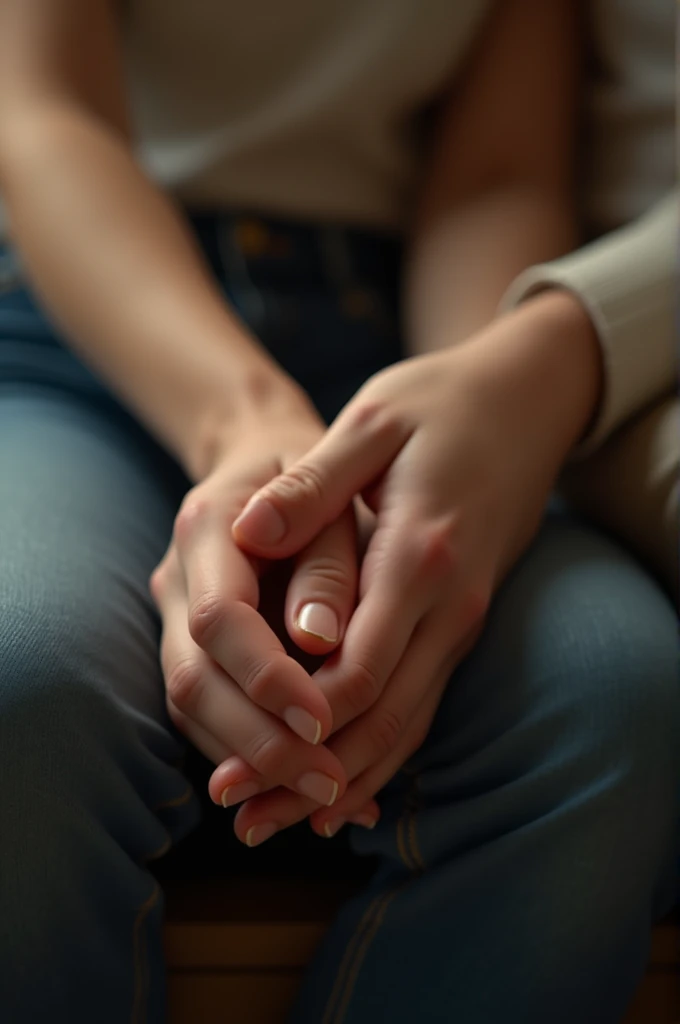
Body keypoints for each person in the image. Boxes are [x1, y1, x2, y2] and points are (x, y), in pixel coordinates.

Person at [0, 1, 676, 1023]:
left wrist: (466, 431)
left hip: (399, 324)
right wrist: (251, 423)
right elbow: (44, 116)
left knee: (612, 701)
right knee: (24, 681)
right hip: (87, 312)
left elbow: (497, 175)